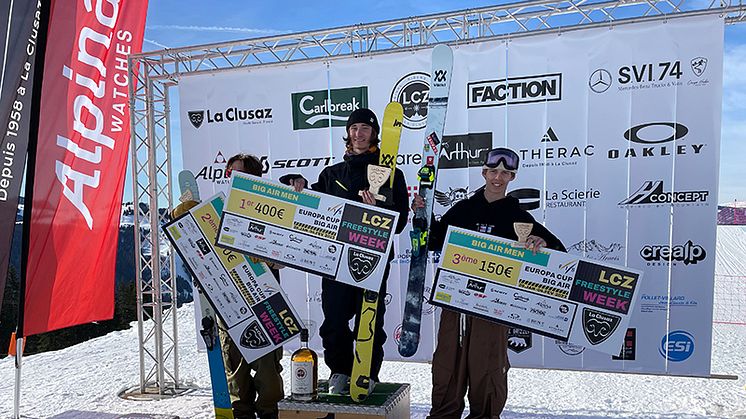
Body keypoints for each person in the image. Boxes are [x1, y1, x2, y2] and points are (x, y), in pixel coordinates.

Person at [412, 147, 565, 419]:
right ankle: (443, 414)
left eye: (505, 173)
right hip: (456, 299)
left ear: (512, 178)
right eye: (493, 171)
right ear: (484, 173)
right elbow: (435, 240)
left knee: (487, 365)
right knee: (449, 362)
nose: (498, 178)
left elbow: (557, 250)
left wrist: (541, 243)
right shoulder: (464, 209)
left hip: (493, 307)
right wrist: (421, 216)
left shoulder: (517, 216)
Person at [281, 108, 409, 395]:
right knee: (335, 319)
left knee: (370, 318)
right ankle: (339, 370)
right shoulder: (331, 174)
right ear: (348, 133)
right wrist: (296, 183)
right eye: (354, 128)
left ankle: (367, 373)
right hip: (334, 260)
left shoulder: (390, 175)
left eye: (365, 128)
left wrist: (381, 210)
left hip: (372, 260)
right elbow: (309, 206)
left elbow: (399, 222)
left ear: (375, 133)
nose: (359, 133)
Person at [220, 153, 284, 419]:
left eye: (239, 174)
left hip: (263, 299)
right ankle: (242, 412)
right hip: (229, 298)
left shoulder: (272, 211)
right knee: (235, 367)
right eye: (230, 173)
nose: (232, 178)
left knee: (267, 368)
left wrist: (269, 256)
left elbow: (284, 256)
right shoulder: (218, 209)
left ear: (253, 179)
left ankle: (269, 412)